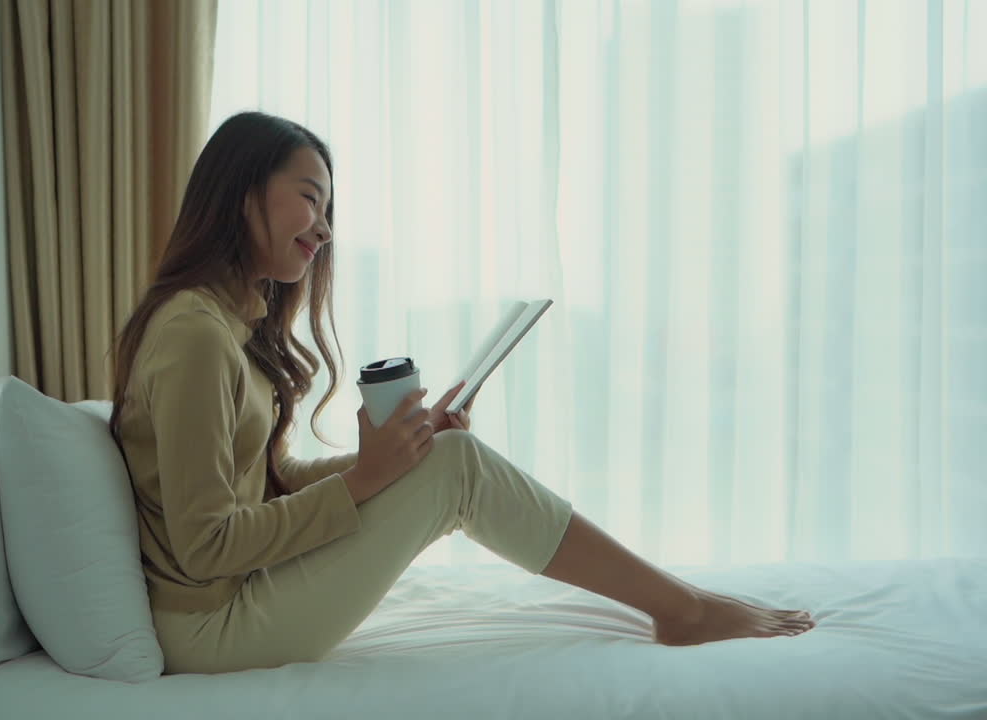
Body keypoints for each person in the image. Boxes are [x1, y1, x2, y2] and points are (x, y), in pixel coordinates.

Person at [107, 111, 816, 675]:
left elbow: (265, 486)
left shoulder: (227, 326)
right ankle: (682, 611)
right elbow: (205, 546)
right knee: (459, 470)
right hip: (208, 627)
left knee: (445, 458)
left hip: (229, 601)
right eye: (311, 199)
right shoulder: (194, 335)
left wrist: (392, 458)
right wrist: (368, 477)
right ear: (243, 193)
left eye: (329, 208)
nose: (324, 228)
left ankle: (680, 605)